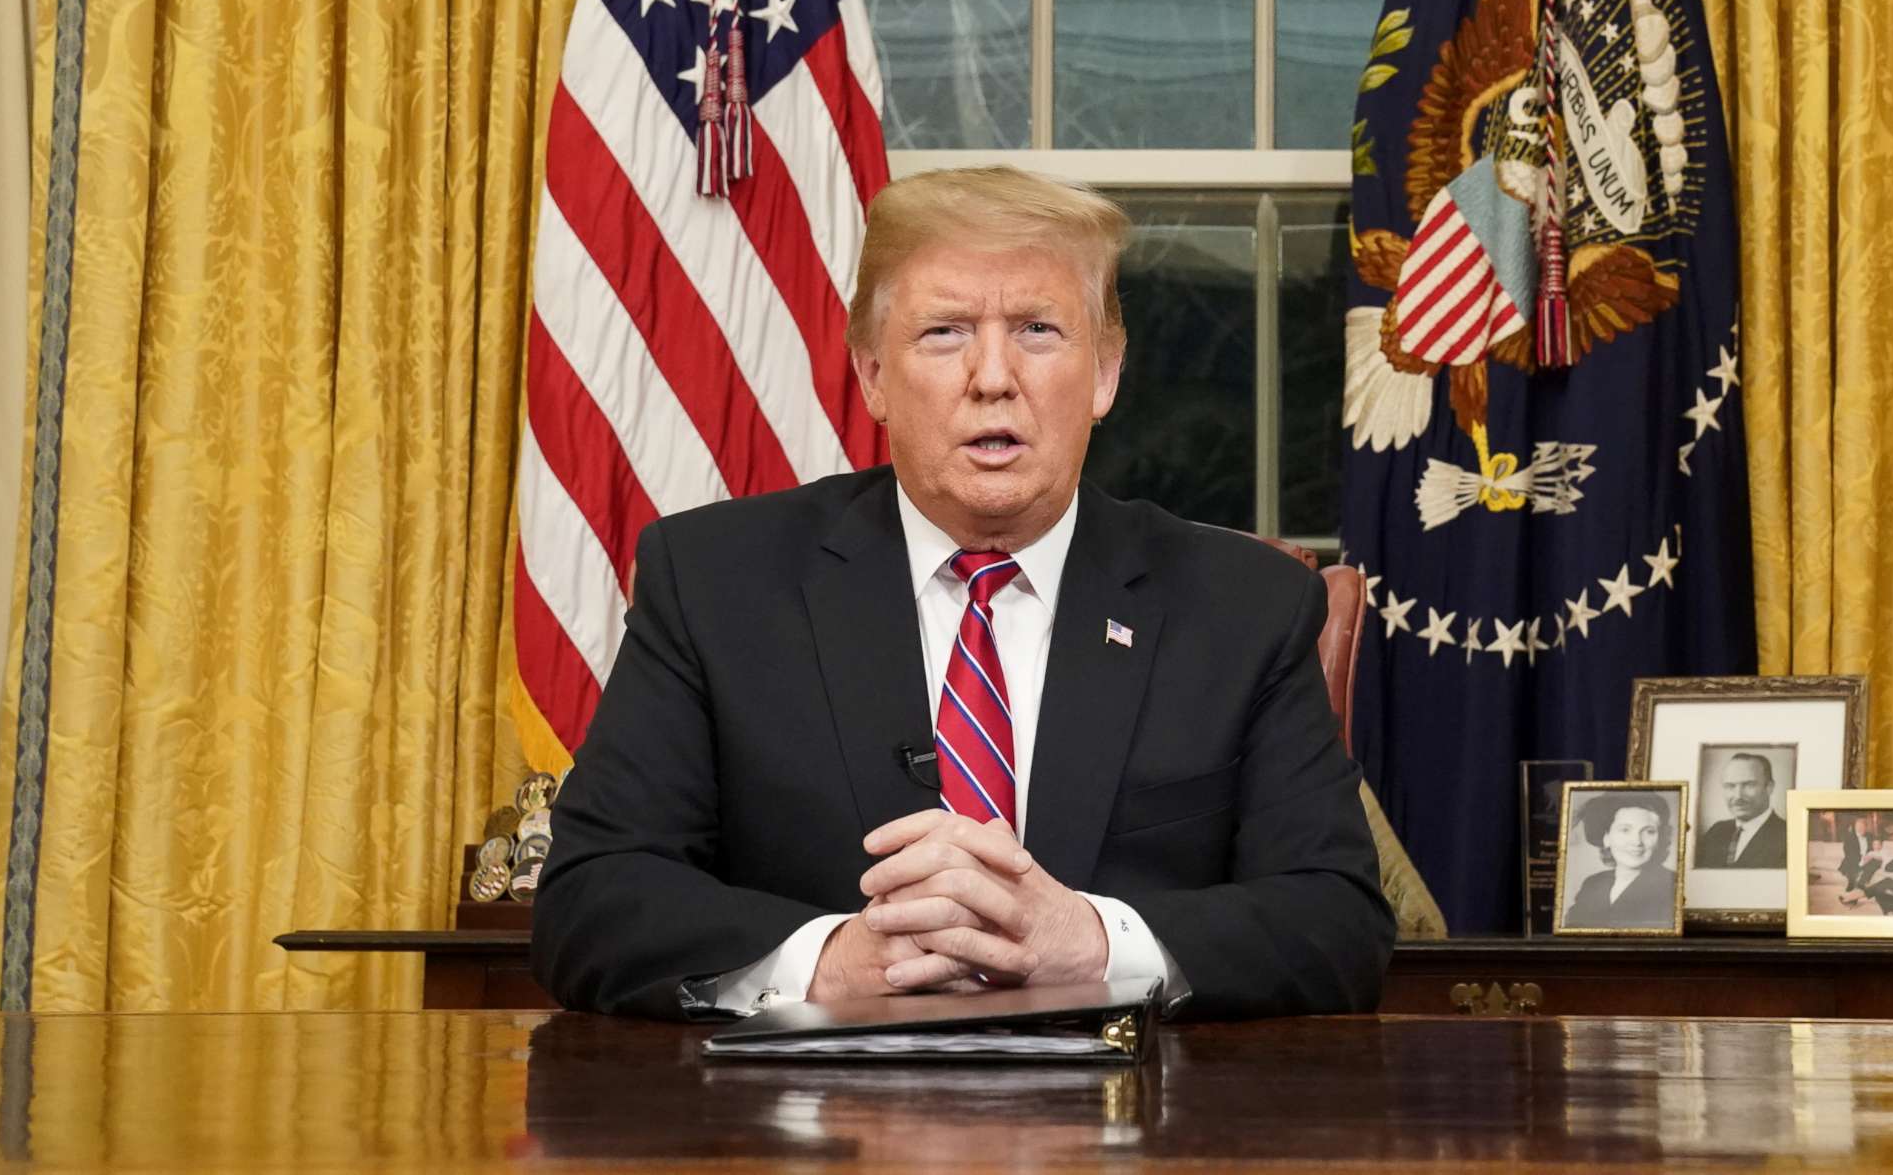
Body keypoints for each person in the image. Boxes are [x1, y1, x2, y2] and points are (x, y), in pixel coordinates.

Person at [532, 166, 1394, 1021]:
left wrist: (1092, 942)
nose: (992, 376)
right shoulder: (716, 583)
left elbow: (1338, 919)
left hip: (1132, 1137)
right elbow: (591, 898)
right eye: (945, 332)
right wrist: (828, 963)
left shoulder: (1245, 607)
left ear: (1105, 374)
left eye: (1038, 330)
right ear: (871, 374)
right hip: (804, 1138)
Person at [1563, 791, 1678, 928]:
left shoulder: (1672, 885)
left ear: (1660, 839)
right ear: (1606, 837)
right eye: (1625, 830)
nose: (1637, 842)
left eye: (1649, 831)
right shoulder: (1593, 884)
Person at [1692, 752, 1786, 869]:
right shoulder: (1715, 832)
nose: (1738, 796)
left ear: (1769, 787)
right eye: (1730, 786)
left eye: (1748, 785)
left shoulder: (1787, 835)